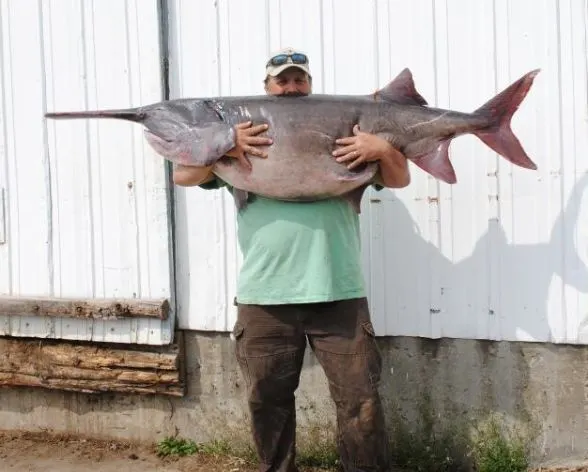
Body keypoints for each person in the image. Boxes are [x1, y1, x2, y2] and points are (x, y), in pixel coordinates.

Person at [173, 47, 410, 472]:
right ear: (266, 89)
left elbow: (399, 178)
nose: (291, 86)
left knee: (362, 404)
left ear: (311, 85)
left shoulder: (345, 138)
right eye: (282, 80)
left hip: (339, 293)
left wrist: (382, 147)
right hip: (265, 298)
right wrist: (226, 141)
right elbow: (183, 174)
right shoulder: (242, 147)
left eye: (299, 79)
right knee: (268, 405)